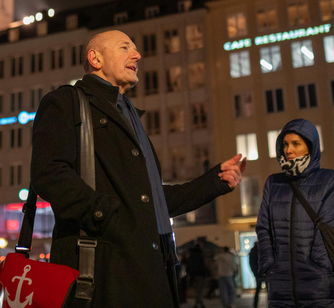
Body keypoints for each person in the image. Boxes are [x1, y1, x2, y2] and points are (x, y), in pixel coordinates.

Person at [31, 30, 247, 308]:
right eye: (125, 47)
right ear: (95, 58)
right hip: (104, 269)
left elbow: (154, 200)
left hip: (153, 265)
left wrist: (215, 181)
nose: (137, 55)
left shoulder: (129, 114)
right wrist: (108, 217)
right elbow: (49, 174)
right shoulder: (66, 102)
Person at [255, 119, 334, 308]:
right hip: (280, 287)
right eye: (285, 144)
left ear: (310, 147)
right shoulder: (273, 183)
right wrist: (269, 265)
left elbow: (331, 226)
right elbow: (263, 227)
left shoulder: (329, 180)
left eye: (296, 144)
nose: (288, 150)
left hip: (319, 285)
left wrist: (319, 265)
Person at [187, 244, 210, 308]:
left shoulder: (191, 257)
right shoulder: (200, 257)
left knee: (198, 291)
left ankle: (200, 303)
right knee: (200, 291)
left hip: (193, 276)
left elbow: (188, 267)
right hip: (200, 276)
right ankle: (198, 303)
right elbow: (202, 267)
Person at [249, 242, 263, 308]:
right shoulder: (262, 250)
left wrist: (254, 272)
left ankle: (255, 305)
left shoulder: (253, 251)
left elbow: (251, 263)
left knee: (257, 290)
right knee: (269, 290)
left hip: (258, 273)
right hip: (263, 273)